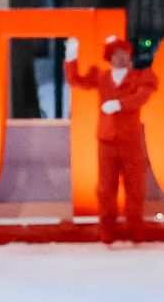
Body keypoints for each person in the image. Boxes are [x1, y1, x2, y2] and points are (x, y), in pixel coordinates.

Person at [64, 36, 158, 243]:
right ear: (109, 58)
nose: (121, 58)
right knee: (106, 188)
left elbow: (141, 97)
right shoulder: (102, 77)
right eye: (116, 55)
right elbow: (75, 81)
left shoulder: (140, 77)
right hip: (106, 141)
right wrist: (71, 56)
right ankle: (107, 229)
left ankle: (135, 228)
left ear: (130, 57)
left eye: (124, 54)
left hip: (130, 141)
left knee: (135, 187)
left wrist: (119, 104)